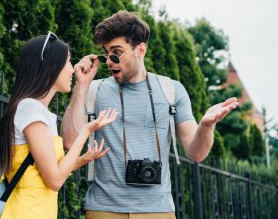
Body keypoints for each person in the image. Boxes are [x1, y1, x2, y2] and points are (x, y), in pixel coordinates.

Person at [61, 11, 239, 219]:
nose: (109, 61)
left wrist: (206, 126)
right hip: (104, 209)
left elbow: (196, 153)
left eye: (116, 53)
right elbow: (69, 143)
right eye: (105, 54)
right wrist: (81, 87)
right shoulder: (94, 91)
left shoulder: (171, 91)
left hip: (158, 210)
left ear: (141, 50)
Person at [0, 32, 118, 219]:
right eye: (68, 62)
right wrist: (86, 130)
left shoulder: (41, 113)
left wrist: (83, 159)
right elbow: (55, 180)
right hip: (24, 213)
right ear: (51, 66)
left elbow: (46, 171)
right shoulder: (30, 109)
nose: (72, 69)